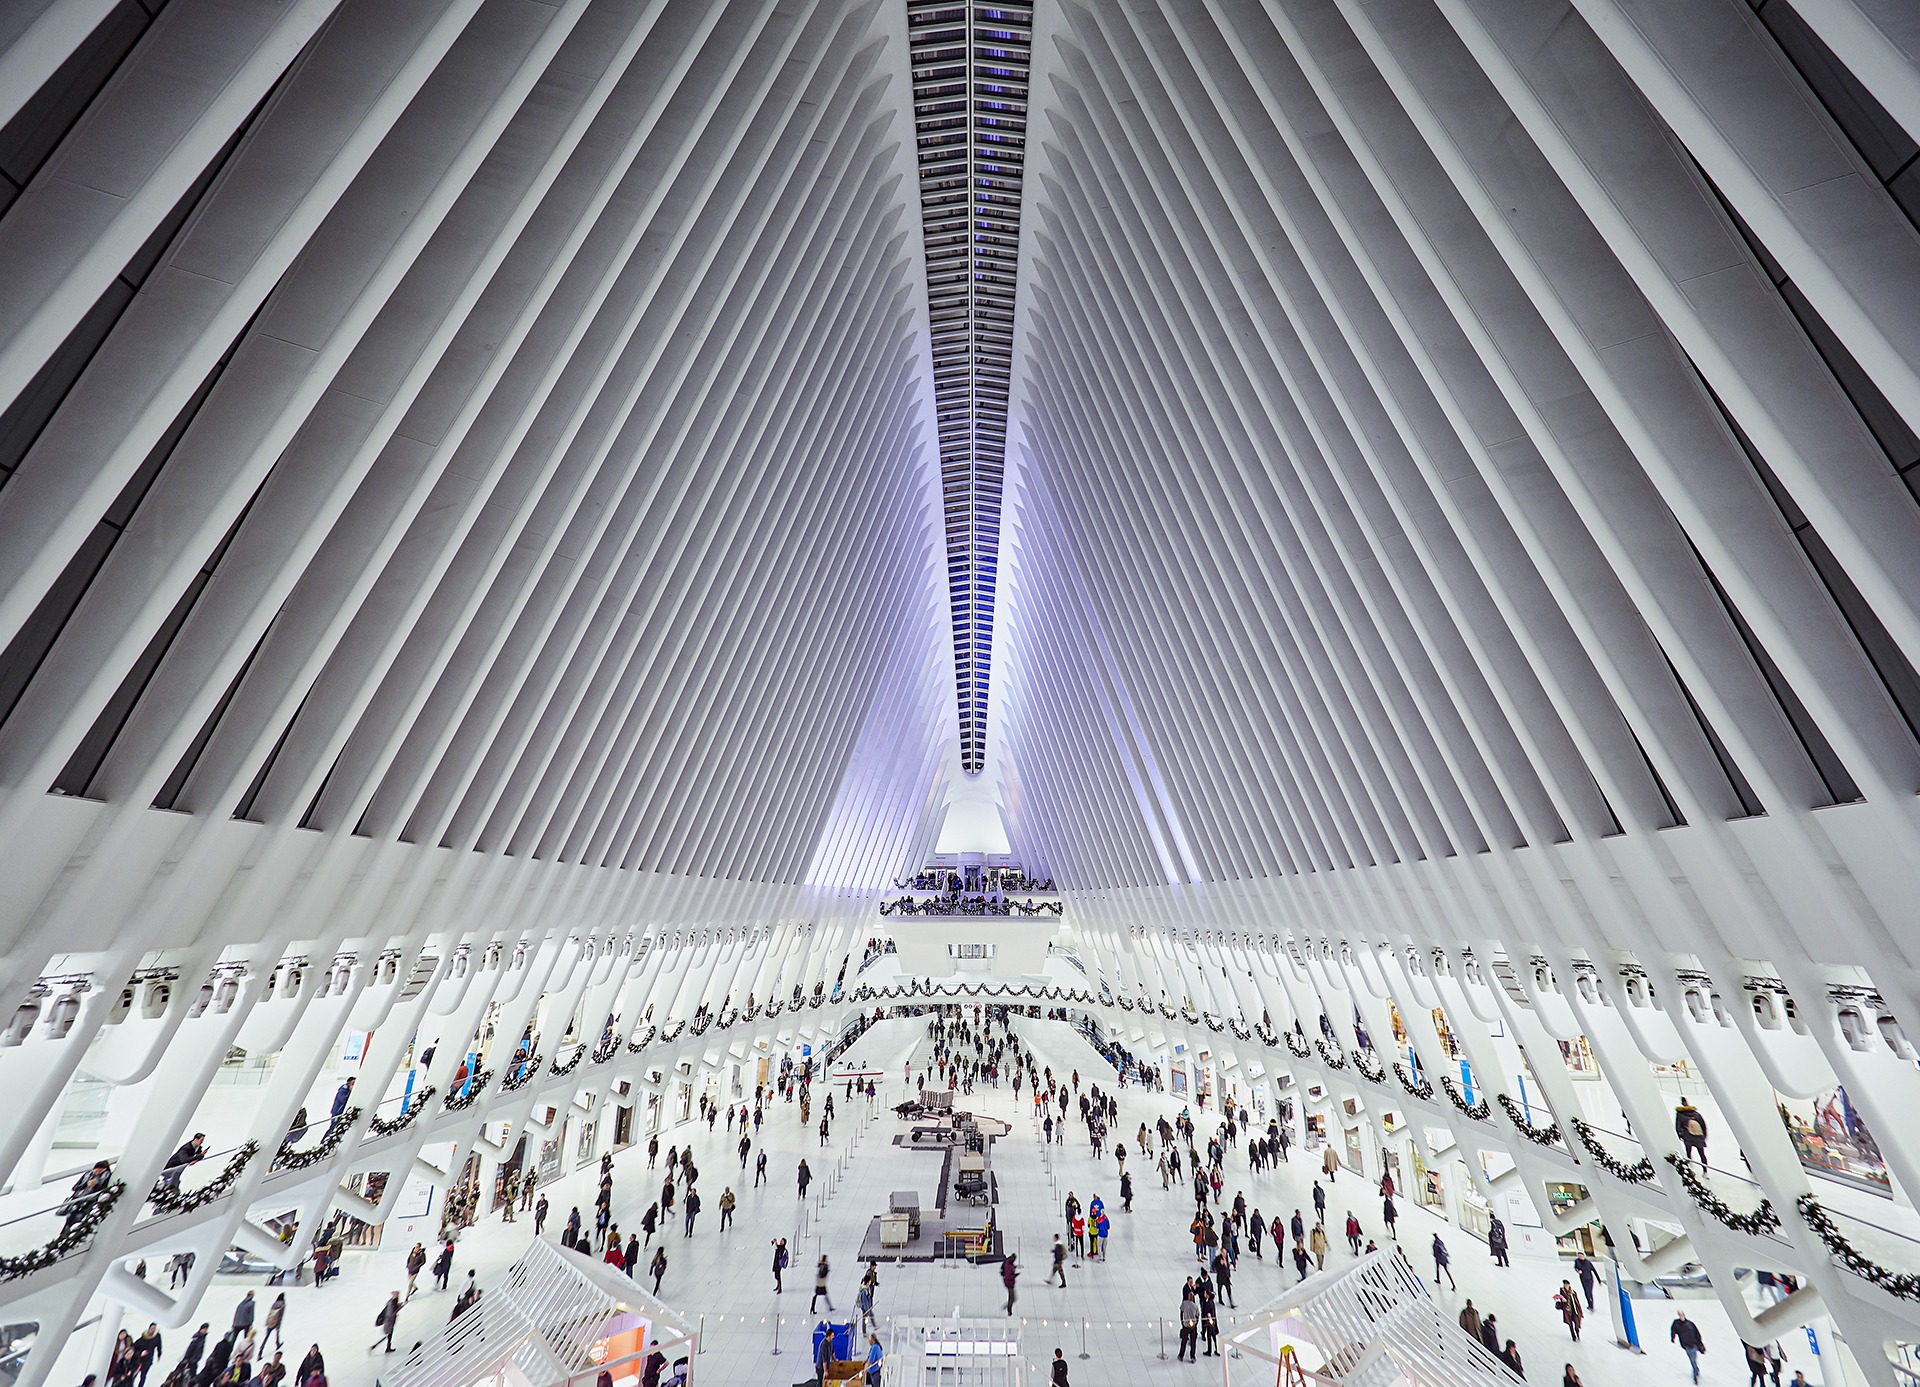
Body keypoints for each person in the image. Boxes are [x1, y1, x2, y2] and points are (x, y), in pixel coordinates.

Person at [1671, 1310, 1706, 1384]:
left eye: (1682, 1315)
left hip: (1694, 1344)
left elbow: (1697, 1334)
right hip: (1686, 1345)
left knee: (1693, 1360)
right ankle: (1696, 1369)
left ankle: (1695, 1376)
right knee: (1692, 1360)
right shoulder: (1677, 1324)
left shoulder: (1690, 1324)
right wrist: (1673, 1337)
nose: (1681, 1316)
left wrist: (1700, 1344)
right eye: (1680, 1315)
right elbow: (1673, 1330)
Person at [1675, 1101, 1708, 1166]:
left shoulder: (1680, 1114)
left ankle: (1689, 1167)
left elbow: (1678, 1126)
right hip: (1699, 1137)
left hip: (1688, 1137)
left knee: (1688, 1153)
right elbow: (1703, 1126)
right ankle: (1705, 1170)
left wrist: (1680, 1135)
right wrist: (1703, 1137)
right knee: (1702, 1154)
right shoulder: (1697, 1114)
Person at [1178, 1289, 1200, 1362]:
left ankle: (1181, 1355)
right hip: (1193, 1326)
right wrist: (1196, 1323)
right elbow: (1197, 1316)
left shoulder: (1184, 1303)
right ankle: (1192, 1356)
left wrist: (1182, 1321)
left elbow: (1181, 1311)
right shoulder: (1195, 1306)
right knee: (1193, 1342)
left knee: (1184, 1341)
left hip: (1186, 1325)